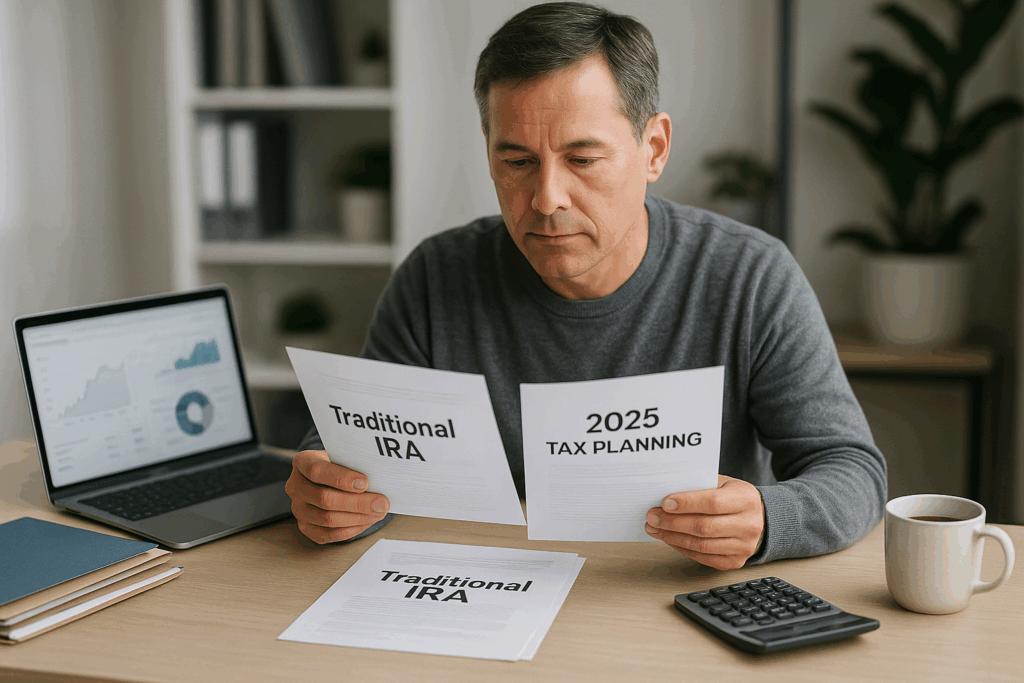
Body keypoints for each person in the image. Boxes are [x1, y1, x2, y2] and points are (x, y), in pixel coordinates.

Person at [285, 1, 887, 570]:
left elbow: (851, 469)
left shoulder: (750, 276)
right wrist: (330, 492)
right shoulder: (433, 278)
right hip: (481, 592)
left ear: (652, 149)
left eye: (582, 159)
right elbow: (356, 450)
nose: (546, 200)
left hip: (671, 596)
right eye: (517, 162)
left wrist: (766, 519)